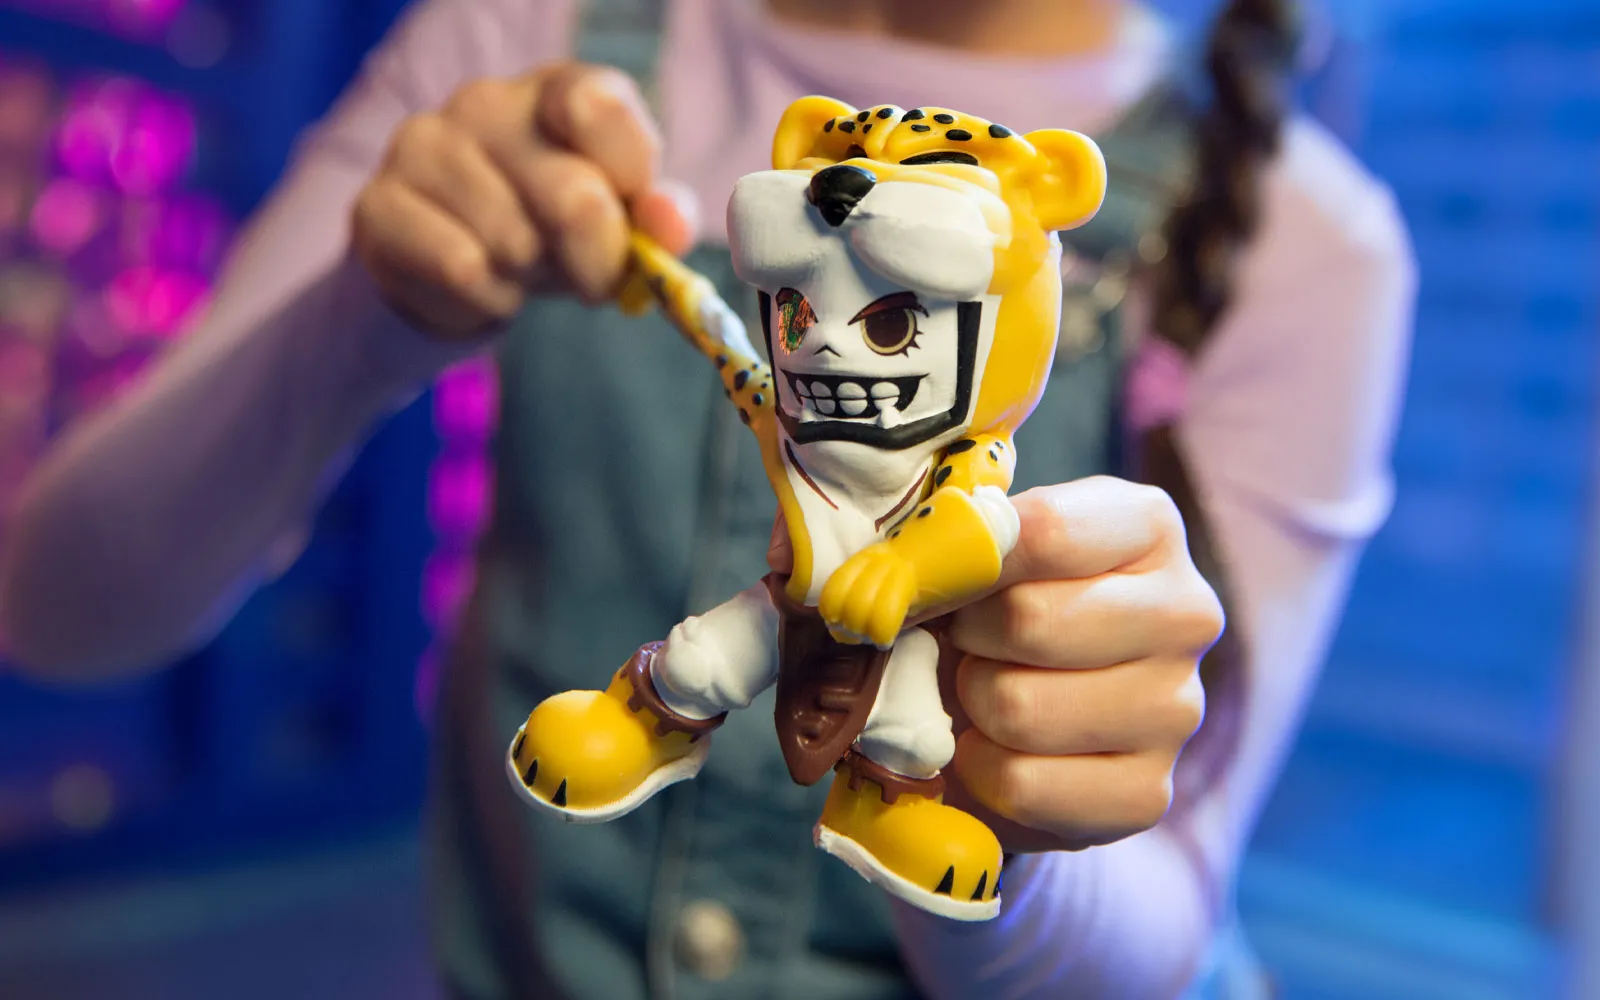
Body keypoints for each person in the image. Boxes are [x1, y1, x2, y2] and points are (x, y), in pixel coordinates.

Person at [0, 0, 1415, 997]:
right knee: (701, 657)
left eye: (893, 321)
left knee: (903, 721)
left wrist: (1023, 827)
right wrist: (370, 311)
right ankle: (642, 721)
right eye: (805, 308)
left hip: (912, 705)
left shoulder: (1306, 243)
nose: (830, 347)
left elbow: (1164, 932)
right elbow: (58, 609)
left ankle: (897, 805)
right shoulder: (523, 37)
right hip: (750, 642)